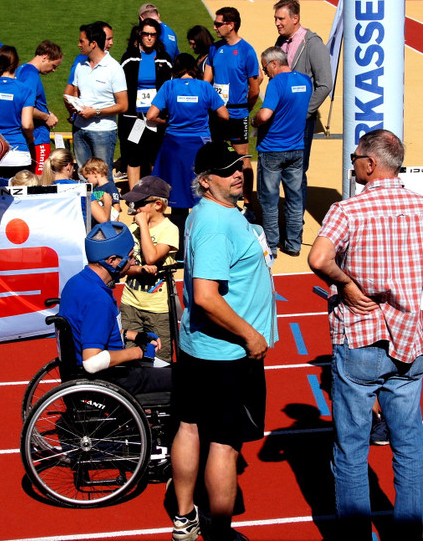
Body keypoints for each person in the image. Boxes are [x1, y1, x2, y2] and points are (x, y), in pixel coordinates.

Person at [307, 129, 423, 540]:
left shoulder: (347, 210)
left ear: (370, 163)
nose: (354, 164)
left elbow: (318, 259)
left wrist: (346, 284)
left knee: (351, 449)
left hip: (359, 338)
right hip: (409, 341)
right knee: (409, 447)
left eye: (355, 158)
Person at [170, 140, 277, 541]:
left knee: (189, 427)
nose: (238, 174)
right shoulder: (217, 223)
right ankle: (220, 533)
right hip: (228, 354)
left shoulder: (206, 213)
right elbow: (205, 296)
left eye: (239, 166)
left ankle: (184, 519)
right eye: (227, 170)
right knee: (225, 443)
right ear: (205, 181)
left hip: (200, 347)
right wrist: (251, 335)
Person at [59, 221, 172, 397]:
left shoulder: (75, 283)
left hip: (83, 372)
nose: (133, 262)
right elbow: (92, 362)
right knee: (182, 377)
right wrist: (138, 352)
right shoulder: (99, 299)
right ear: (112, 260)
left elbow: (90, 329)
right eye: (130, 256)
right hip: (113, 379)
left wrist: (134, 336)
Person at [146, 53, 228, 234]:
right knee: (203, 191)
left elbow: (151, 116)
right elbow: (224, 115)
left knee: (177, 196)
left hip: (174, 147)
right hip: (200, 147)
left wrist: (166, 121)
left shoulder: (169, 86)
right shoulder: (205, 87)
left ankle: (180, 243)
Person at [272, 0, 333, 203]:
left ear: (295, 18)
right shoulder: (280, 41)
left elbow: (325, 84)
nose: (277, 23)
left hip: (301, 121)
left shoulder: (313, 44)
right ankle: (289, 212)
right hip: (281, 118)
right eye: (276, 19)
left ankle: (297, 217)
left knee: (297, 171)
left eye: (281, 19)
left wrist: (304, 112)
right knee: (281, 168)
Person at [253, 47, 312, 258]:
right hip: (296, 149)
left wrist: (255, 121)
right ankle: (294, 244)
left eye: (265, 68)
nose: (265, 72)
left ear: (274, 63)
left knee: (269, 201)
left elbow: (265, 115)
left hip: (272, 149)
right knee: (295, 199)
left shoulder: (276, 83)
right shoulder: (305, 81)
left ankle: (271, 246)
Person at [205, 6, 260, 209]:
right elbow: (206, 82)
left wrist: (245, 108)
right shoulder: (214, 48)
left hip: (238, 113)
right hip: (217, 114)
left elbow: (254, 88)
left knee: (242, 158)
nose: (215, 27)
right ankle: (220, 197)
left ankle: (248, 203)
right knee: (217, 155)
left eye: (218, 24)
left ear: (231, 25)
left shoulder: (247, 51)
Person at [119, 176, 179, 365]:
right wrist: (139, 270)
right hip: (130, 304)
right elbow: (122, 269)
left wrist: (143, 225)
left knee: (160, 361)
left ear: (158, 204)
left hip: (158, 310)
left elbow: (152, 257)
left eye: (140, 203)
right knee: (129, 358)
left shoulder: (169, 229)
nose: (135, 208)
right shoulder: (133, 228)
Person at [121, 18, 173, 187]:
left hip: (156, 117)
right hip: (135, 117)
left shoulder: (164, 59)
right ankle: (134, 195)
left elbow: (169, 88)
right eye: (146, 34)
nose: (149, 38)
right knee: (134, 156)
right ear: (140, 34)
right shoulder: (129, 58)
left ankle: (155, 192)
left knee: (155, 156)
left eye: (153, 34)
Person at [67, 22, 128, 167]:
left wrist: (96, 112)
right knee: (83, 174)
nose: (79, 44)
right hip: (79, 129)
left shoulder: (114, 69)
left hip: (103, 132)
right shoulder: (80, 66)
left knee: (103, 176)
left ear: (93, 44)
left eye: (82, 41)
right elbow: (76, 93)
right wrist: (73, 105)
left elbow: (123, 105)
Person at [0, 45, 35, 179]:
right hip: (18, 153)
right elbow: (27, 124)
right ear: (17, 64)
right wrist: (30, 138)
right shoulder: (25, 90)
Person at [16, 40, 63, 175]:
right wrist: (46, 116)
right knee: (39, 178)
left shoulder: (21, 69)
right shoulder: (31, 75)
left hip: (27, 135)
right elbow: (25, 107)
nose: (53, 70)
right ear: (45, 57)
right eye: (53, 66)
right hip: (37, 137)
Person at [80, 157, 121, 223]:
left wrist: (115, 224)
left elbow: (116, 205)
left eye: (87, 178)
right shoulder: (94, 188)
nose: (87, 181)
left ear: (95, 173)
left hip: (108, 221)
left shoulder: (110, 187)